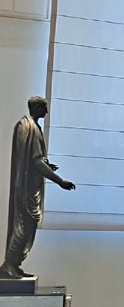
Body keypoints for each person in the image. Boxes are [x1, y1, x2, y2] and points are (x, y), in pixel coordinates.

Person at [2, 97, 75, 280]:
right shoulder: (29, 128)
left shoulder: (32, 127)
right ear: (36, 107)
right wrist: (60, 181)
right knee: (24, 226)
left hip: (30, 186)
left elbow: (38, 160)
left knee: (29, 225)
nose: (47, 112)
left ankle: (15, 263)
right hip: (26, 189)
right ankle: (9, 263)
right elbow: (36, 162)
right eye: (45, 108)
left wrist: (48, 165)